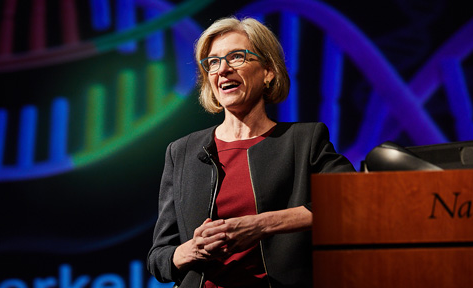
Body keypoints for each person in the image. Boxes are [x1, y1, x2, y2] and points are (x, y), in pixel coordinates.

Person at [147, 16, 355, 288]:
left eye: (237, 57)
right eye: (213, 62)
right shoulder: (182, 152)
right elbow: (159, 256)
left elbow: (353, 203)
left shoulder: (304, 141)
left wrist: (260, 226)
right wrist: (189, 251)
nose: (223, 70)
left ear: (268, 71)